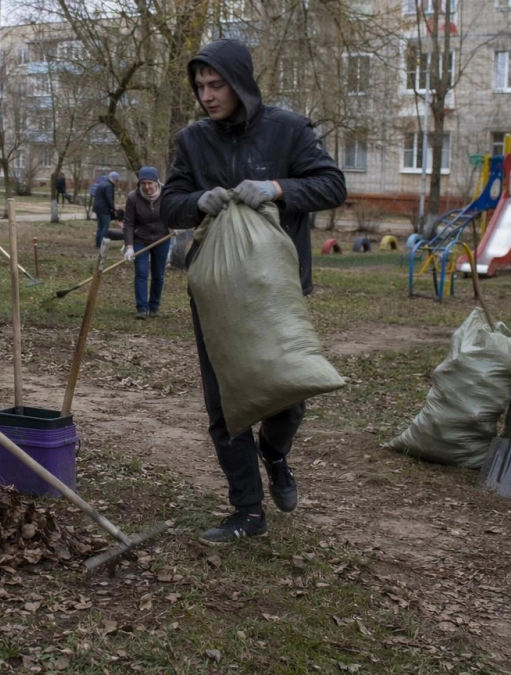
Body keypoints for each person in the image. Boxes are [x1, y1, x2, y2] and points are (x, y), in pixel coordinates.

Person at [160, 38, 346, 545]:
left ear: (240, 82)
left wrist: (277, 188)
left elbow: (332, 185)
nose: (206, 95)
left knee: (288, 391)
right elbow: (169, 206)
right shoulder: (194, 141)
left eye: (215, 84)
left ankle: (276, 453)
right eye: (199, 86)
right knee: (225, 404)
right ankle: (247, 510)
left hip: (277, 290)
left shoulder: (287, 130)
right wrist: (198, 199)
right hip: (217, 294)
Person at [123, 166, 170, 320]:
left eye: (150, 183)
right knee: (141, 273)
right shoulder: (133, 198)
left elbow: (175, 213)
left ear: (156, 182)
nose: (147, 187)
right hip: (140, 239)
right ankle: (142, 308)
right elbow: (128, 223)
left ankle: (154, 306)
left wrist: (177, 226)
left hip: (162, 238)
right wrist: (129, 246)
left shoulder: (167, 195)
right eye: (143, 183)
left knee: (158, 275)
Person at [92, 171, 120, 248]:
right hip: (104, 209)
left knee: (99, 227)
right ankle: (102, 244)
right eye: (117, 181)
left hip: (97, 208)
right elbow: (109, 199)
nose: (117, 183)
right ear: (114, 179)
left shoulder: (101, 183)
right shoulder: (109, 186)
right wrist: (113, 209)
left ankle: (98, 243)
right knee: (105, 227)